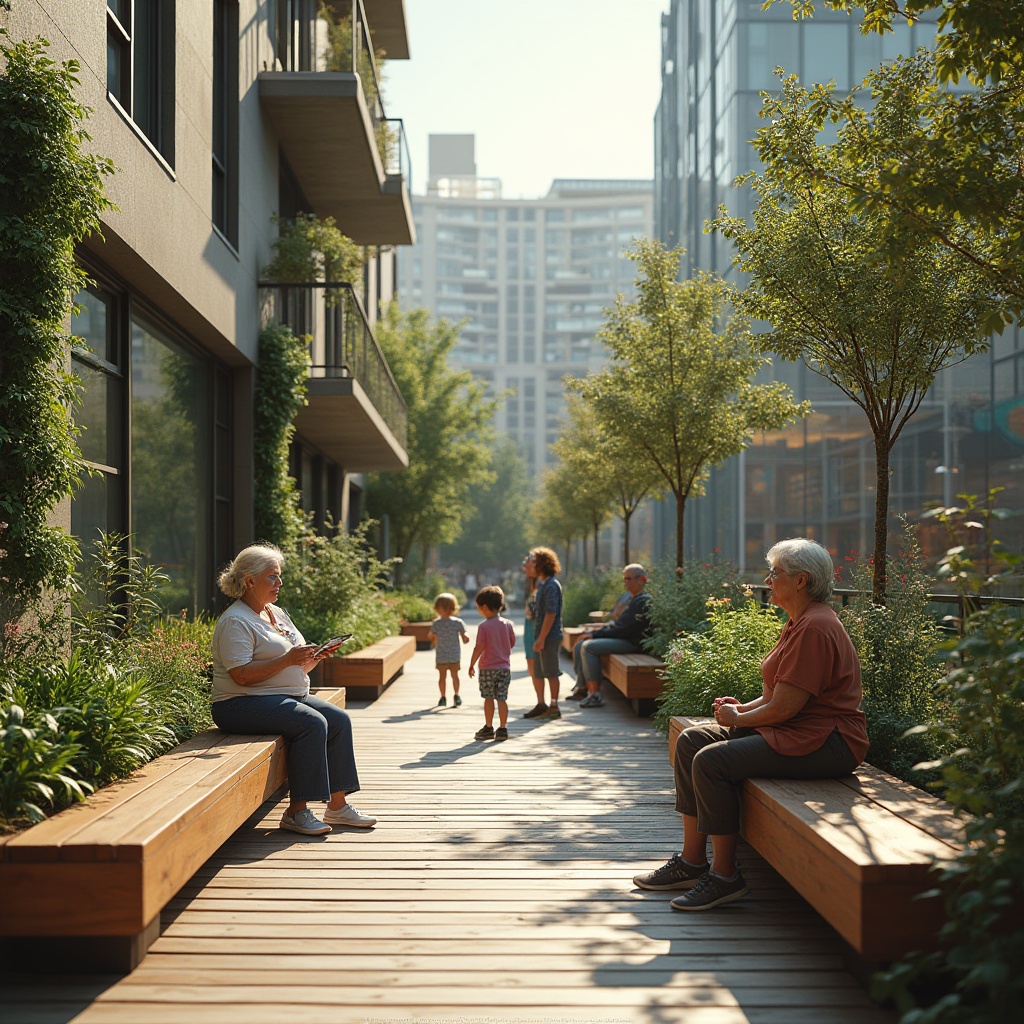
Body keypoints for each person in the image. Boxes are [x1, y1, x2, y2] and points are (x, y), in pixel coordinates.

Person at [632, 538, 868, 911]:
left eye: (775, 573)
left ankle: (726, 877)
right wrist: (744, 707)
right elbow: (778, 696)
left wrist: (740, 718)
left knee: (712, 761)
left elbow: (786, 708)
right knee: (692, 740)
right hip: (797, 730)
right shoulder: (799, 621)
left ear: (802, 580)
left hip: (828, 742)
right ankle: (692, 863)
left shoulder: (815, 627)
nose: (768, 579)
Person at [210, 544, 376, 836]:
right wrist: (288, 659)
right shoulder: (236, 621)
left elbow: (292, 666)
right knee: (312, 723)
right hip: (239, 704)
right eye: (273, 577)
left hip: (280, 697)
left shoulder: (274, 613)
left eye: (279, 576)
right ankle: (296, 812)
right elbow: (241, 676)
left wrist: (311, 658)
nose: (280, 583)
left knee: (339, 720)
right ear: (250, 581)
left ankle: (337, 806)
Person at [567, 563, 652, 708]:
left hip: (633, 643)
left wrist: (595, 635)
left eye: (629, 578)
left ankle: (595, 695)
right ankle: (582, 688)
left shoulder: (642, 601)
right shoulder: (632, 599)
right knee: (580, 644)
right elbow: (619, 625)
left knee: (589, 647)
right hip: (624, 638)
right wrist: (596, 632)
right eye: (624, 578)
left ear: (641, 579)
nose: (626, 582)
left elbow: (623, 629)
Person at [468, 585, 516, 741]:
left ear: (484, 607)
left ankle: (488, 727)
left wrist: (472, 664)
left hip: (487, 668)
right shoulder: (508, 624)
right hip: (504, 668)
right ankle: (502, 729)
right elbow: (512, 642)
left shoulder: (484, 626)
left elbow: (479, 647)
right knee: (502, 698)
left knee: (488, 697)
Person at [530, 546, 564, 720]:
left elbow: (551, 613)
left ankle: (554, 705)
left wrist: (542, 638)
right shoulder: (542, 584)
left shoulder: (551, 585)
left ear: (542, 564)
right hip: (541, 635)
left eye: (533, 561)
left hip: (548, 637)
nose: (530, 564)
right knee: (540, 671)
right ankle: (544, 705)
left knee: (551, 671)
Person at [520, 553, 549, 719]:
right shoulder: (531, 581)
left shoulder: (544, 583)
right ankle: (540, 701)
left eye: (528, 562)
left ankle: (549, 703)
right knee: (531, 662)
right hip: (530, 624)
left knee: (541, 663)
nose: (525, 565)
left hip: (539, 626)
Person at [429, 592, 469, 707]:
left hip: (447, 655)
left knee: (449, 676)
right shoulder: (443, 623)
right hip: (448, 654)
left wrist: (465, 637)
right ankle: (449, 696)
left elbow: (431, 636)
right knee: (448, 676)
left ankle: (450, 696)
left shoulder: (443, 623)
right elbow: (464, 636)